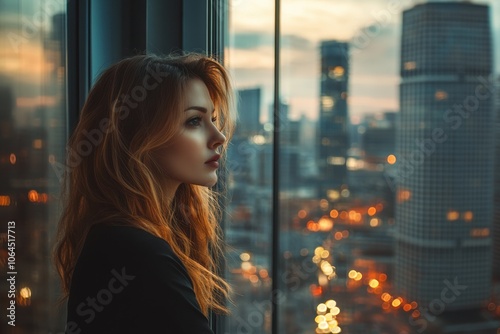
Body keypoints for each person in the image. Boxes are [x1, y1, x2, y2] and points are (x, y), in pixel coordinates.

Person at [53, 53, 236, 333]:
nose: (219, 136)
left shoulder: (114, 237)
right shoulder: (140, 253)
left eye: (212, 118)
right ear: (138, 135)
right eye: (194, 121)